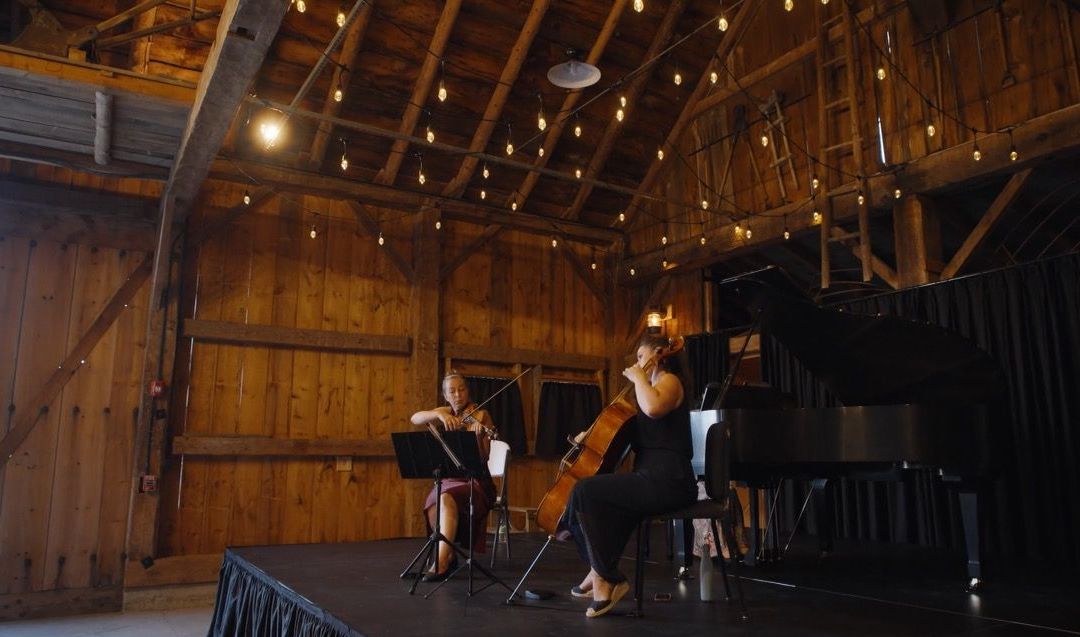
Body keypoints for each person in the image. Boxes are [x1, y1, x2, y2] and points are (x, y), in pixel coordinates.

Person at [563, 334, 698, 618]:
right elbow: (625, 435)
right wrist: (592, 437)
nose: (637, 363)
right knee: (588, 495)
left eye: (640, 356)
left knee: (586, 492)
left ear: (659, 353)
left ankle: (604, 578)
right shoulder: (648, 388)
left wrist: (638, 378)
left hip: (670, 479)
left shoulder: (669, 381)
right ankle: (601, 572)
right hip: (650, 476)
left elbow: (653, 408)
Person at [410, 371, 495, 582]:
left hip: (476, 481)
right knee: (434, 500)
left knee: (445, 497)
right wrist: (439, 415)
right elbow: (415, 418)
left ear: (468, 391)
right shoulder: (444, 411)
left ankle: (439, 563)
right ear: (446, 395)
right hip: (449, 479)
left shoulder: (481, 415)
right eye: (452, 391)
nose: (457, 395)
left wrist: (478, 437)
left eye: (461, 389)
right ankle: (448, 555)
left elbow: (484, 458)